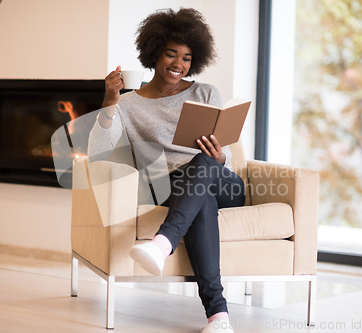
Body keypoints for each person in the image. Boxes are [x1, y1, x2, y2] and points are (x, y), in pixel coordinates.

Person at [88, 8, 245, 333]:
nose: (178, 64)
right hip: (174, 187)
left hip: (225, 185)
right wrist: (109, 101)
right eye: (171, 54)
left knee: (200, 162)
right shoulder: (129, 104)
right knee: (200, 199)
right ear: (154, 52)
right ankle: (219, 317)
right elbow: (97, 152)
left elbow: (224, 153)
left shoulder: (205, 92)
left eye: (186, 58)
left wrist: (219, 157)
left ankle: (163, 242)